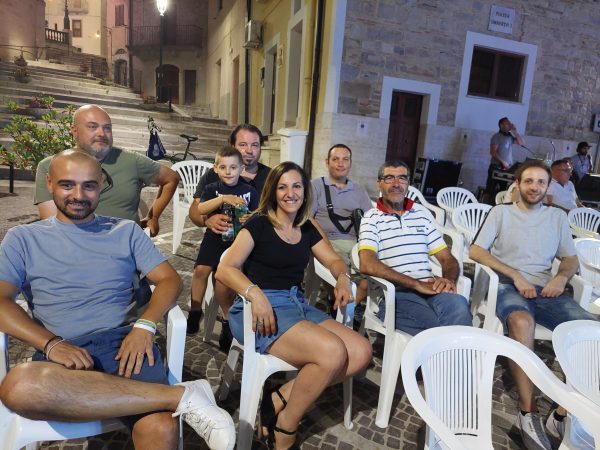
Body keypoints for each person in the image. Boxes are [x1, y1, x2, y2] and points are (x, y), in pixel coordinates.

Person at [1, 150, 235, 450]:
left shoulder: (125, 231)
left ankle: (173, 399)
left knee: (161, 427)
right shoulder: (23, 238)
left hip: (124, 347)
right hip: (60, 351)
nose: (78, 195)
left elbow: (170, 279)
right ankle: (181, 396)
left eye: (89, 185)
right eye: (67, 184)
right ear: (49, 183)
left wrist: (145, 325)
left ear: (101, 184)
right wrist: (51, 344)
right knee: (18, 387)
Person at [216, 162, 372, 450]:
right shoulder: (259, 224)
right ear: (273, 192)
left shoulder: (306, 226)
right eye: (283, 187)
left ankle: (279, 397)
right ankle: (287, 424)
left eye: (297, 186)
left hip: (295, 303)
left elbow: (334, 260)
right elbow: (225, 269)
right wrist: (255, 294)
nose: (290, 193)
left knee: (361, 352)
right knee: (333, 352)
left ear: (305, 190)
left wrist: (342, 277)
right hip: (258, 309)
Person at [470, 159, 597, 450]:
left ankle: (563, 412)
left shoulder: (557, 217)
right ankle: (527, 413)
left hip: (546, 289)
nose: (534, 187)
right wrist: (515, 275)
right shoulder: (501, 212)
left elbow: (570, 258)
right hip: (508, 285)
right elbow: (476, 250)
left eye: (541, 182)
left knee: (590, 330)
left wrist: (561, 278)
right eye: (528, 181)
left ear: (548, 186)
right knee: (522, 321)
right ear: (517, 184)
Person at [357, 160, 472, 335]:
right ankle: (451, 351)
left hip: (431, 288)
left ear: (408, 183)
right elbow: (367, 264)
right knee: (437, 327)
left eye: (402, 178)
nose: (396, 184)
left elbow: (447, 258)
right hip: (395, 294)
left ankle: (453, 351)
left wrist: (447, 280)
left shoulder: (421, 213)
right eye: (389, 178)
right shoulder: (371, 218)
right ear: (379, 183)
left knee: (460, 306)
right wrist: (416, 284)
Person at [34, 104, 179, 237]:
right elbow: (53, 227)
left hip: (127, 245)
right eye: (92, 126)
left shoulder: (132, 160)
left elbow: (171, 178)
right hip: (75, 246)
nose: (101, 133)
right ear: (75, 131)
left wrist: (153, 217)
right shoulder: (50, 166)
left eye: (107, 128)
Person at [186, 146, 259, 342]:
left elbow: (258, 213)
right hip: (214, 237)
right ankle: (195, 310)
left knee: (224, 282)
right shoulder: (212, 188)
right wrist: (223, 198)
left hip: (236, 241)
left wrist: (250, 218)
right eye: (223, 167)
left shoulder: (249, 191)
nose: (228, 172)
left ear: (241, 168)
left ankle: (227, 321)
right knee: (201, 270)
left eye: (233, 167)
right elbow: (201, 208)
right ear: (215, 168)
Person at [310, 144, 373, 316]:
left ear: (350, 163)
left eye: (345, 159)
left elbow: (370, 219)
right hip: (327, 242)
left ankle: (345, 308)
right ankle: (343, 309)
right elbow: (308, 218)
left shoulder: (358, 189)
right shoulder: (316, 186)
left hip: (356, 243)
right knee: (340, 271)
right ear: (327, 162)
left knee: (374, 274)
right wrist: (324, 244)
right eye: (335, 159)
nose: (341, 163)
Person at [189, 123, 271, 235]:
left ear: (260, 149)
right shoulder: (215, 174)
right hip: (221, 237)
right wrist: (207, 221)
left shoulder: (272, 177)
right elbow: (194, 211)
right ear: (233, 147)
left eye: (255, 145)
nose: (249, 150)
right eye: (243, 145)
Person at [485, 117, 525, 201]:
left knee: (503, 191)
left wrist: (515, 132)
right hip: (496, 167)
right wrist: (503, 162)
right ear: (501, 125)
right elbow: (493, 152)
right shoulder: (496, 137)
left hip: (507, 168)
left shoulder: (509, 137)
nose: (510, 125)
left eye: (510, 123)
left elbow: (521, 143)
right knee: (490, 190)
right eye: (507, 123)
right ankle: (484, 205)